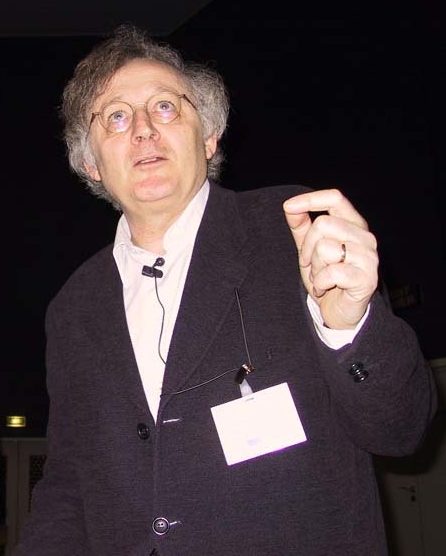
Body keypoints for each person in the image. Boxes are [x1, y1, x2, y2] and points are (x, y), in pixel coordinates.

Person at [13, 24, 437, 556]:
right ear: (91, 163)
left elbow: (400, 431)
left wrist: (349, 327)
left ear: (209, 135)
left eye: (165, 107)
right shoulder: (73, 308)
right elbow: (69, 485)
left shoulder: (293, 232)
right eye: (116, 116)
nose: (143, 129)